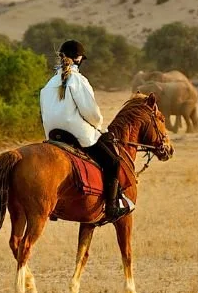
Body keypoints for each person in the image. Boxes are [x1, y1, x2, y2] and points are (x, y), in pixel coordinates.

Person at [40, 40, 130, 221]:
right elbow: (91, 113)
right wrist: (99, 127)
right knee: (113, 162)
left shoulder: (49, 83)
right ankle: (112, 207)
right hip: (76, 134)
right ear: (79, 59)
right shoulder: (78, 80)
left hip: (53, 134)